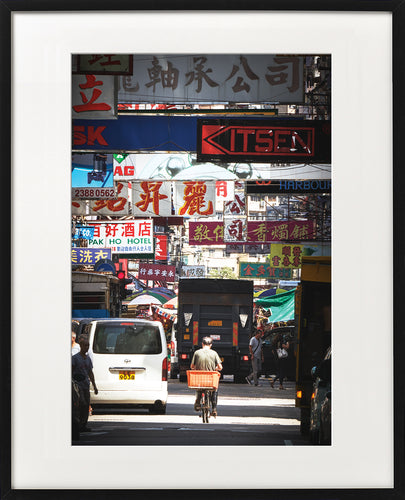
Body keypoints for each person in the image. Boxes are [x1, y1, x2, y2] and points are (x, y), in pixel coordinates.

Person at [190, 337, 222, 417]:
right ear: (210, 345)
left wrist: (196, 367)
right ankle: (214, 409)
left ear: (202, 344)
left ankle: (198, 401)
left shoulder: (197, 353)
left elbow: (192, 366)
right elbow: (220, 367)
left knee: (199, 388)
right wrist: (216, 368)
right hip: (210, 379)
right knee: (214, 390)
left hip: (200, 379)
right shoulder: (214, 353)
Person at [72, 337, 98, 432]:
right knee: (81, 403)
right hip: (77, 386)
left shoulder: (88, 359)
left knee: (86, 405)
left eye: (88, 345)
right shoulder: (75, 358)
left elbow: (90, 372)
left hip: (85, 385)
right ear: (81, 346)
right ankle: (78, 424)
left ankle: (83, 425)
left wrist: (94, 386)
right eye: (85, 345)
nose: (86, 347)